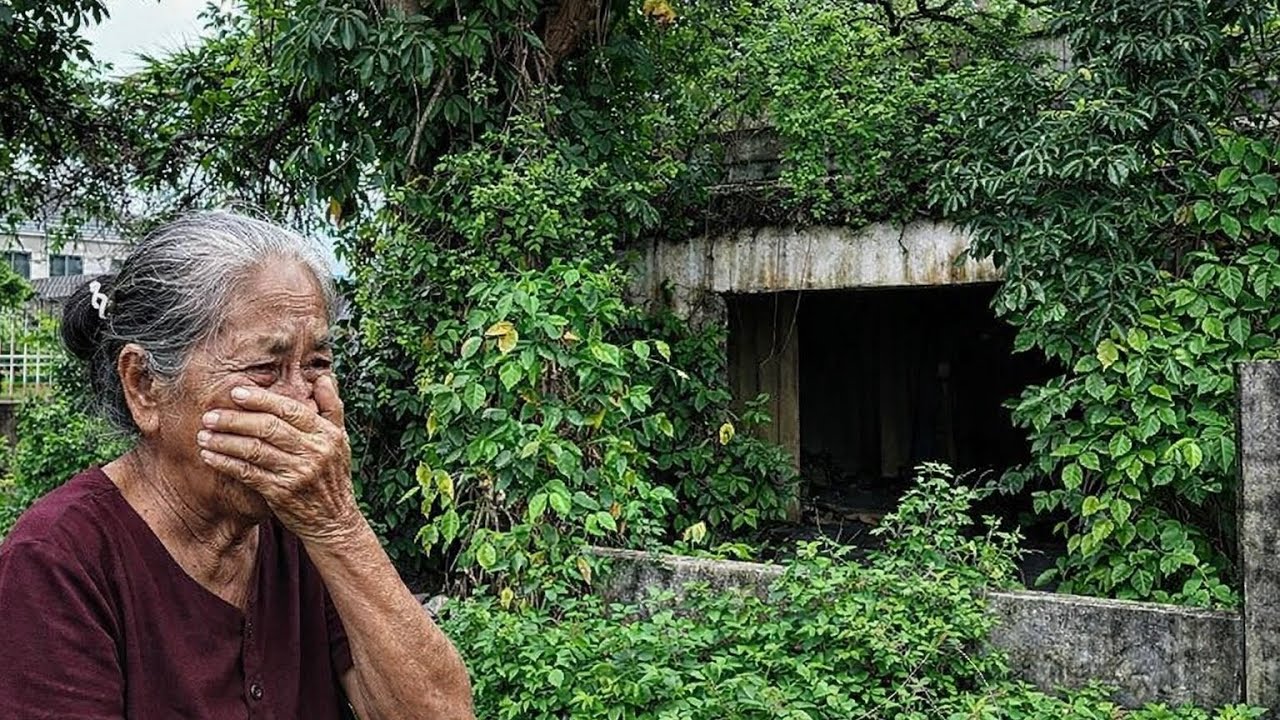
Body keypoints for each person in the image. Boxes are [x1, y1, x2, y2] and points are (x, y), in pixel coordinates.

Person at [0, 212, 474, 719]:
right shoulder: (56, 563)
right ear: (144, 386)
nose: (300, 404)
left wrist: (339, 528)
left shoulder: (303, 527)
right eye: (265, 369)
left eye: (316, 365)